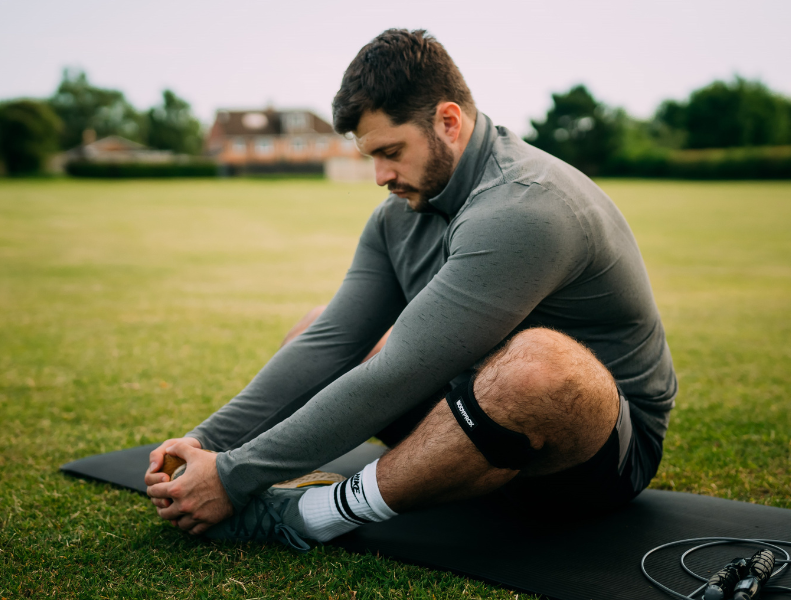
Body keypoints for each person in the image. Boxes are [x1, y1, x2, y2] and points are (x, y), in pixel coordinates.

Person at [145, 29, 677, 548]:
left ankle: (309, 516)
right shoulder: (400, 213)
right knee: (313, 322)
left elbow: (399, 371)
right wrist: (206, 443)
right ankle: (429, 469)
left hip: (596, 457)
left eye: (391, 151)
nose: (380, 175)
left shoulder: (524, 205)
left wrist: (234, 476)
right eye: (370, 156)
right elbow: (333, 340)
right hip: (470, 411)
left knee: (536, 364)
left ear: (448, 121)